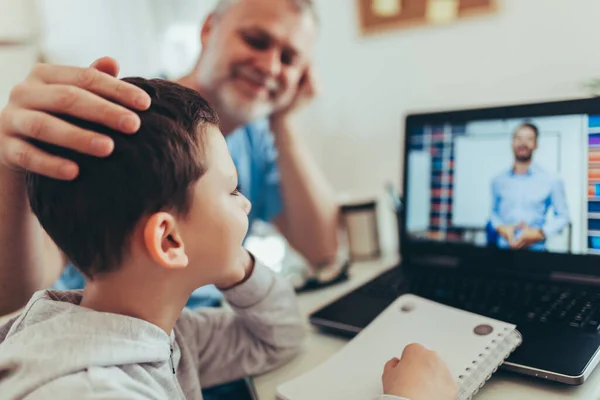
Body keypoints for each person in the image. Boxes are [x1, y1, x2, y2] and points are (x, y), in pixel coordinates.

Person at [0, 78, 457, 400]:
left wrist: (237, 266)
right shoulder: (90, 391)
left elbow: (277, 339)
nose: (247, 205)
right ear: (169, 241)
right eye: (232, 190)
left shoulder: (164, 333)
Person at [0, 0, 339, 314]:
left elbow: (322, 249)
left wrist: (284, 120)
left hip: (195, 347)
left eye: (289, 59)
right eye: (255, 40)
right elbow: (16, 291)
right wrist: (7, 167)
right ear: (208, 30)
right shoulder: (133, 125)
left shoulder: (255, 141)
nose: (269, 66)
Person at [490, 123, 569, 251]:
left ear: (536, 144)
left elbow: (563, 216)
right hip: (502, 253)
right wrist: (501, 228)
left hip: (536, 255)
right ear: (512, 142)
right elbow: (494, 213)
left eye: (529, 139)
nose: (523, 143)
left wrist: (540, 233)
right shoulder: (498, 180)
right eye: (518, 138)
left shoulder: (552, 180)